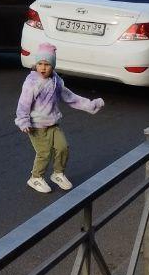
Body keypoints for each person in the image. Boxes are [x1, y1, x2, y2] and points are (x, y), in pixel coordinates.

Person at [14, 44, 104, 194]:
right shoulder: (32, 82)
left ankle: (58, 173)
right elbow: (23, 104)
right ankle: (35, 177)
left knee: (63, 147)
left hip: (53, 123)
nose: (43, 68)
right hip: (36, 126)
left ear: (53, 65)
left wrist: (90, 105)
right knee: (44, 153)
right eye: (40, 64)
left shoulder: (56, 81)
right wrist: (23, 121)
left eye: (47, 64)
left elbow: (70, 97)